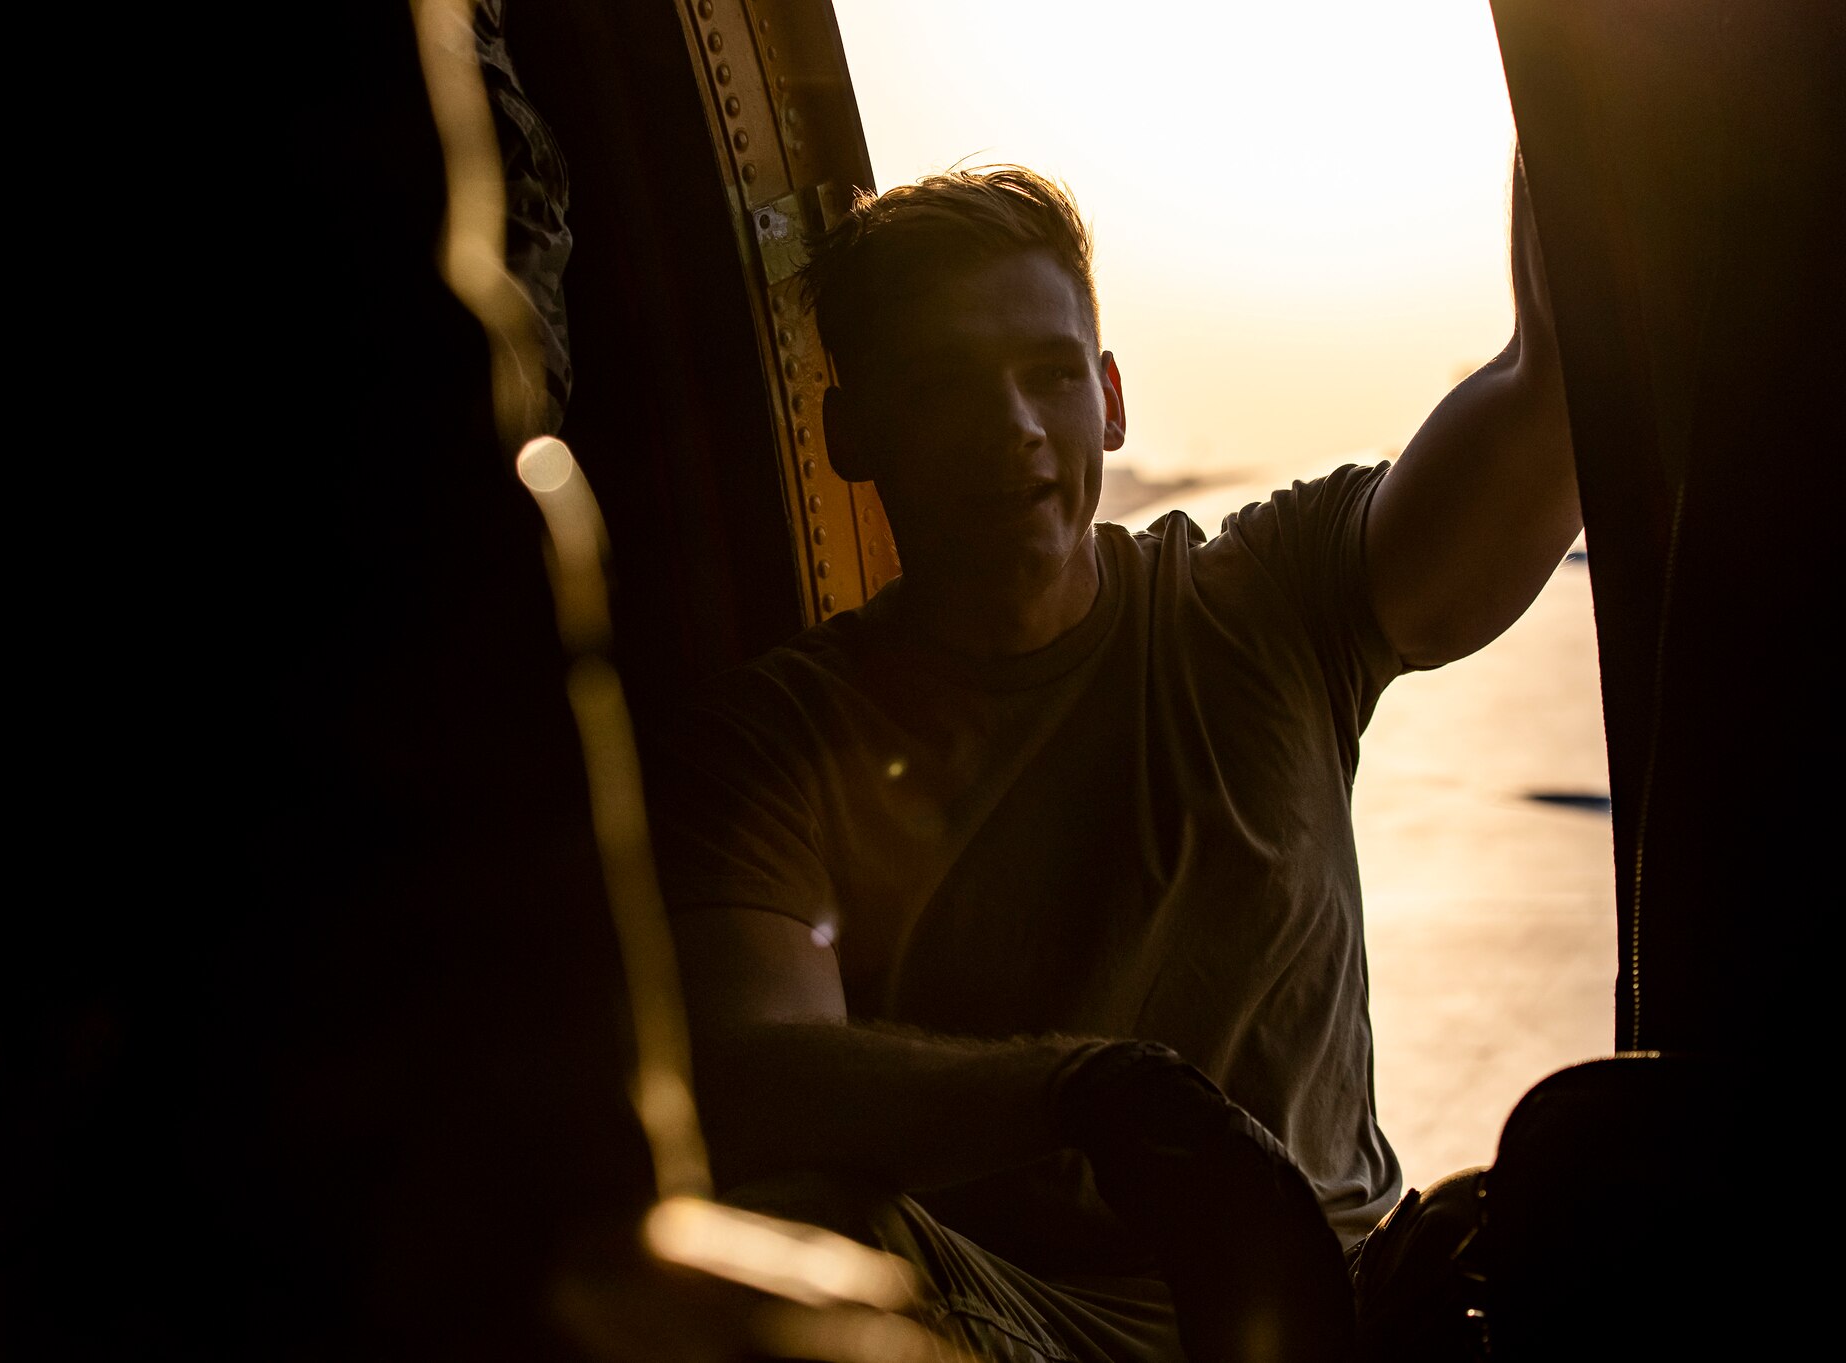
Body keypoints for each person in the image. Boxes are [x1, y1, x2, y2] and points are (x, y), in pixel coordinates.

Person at [647, 161, 1576, 1360]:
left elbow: (1552, 383)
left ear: (1110, 398)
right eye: (942, 387)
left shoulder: (1272, 603)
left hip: (1337, 1301)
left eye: (1046, 373)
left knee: (1593, 1187)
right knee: (786, 1231)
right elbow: (752, 1077)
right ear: (850, 432)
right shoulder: (770, 742)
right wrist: (1088, 1093)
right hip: (1006, 1327)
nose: (1013, 429)